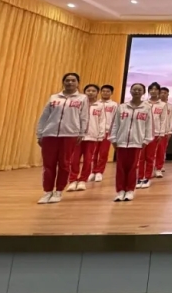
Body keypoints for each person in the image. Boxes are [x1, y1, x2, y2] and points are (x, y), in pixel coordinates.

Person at [35, 73, 89, 204]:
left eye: (73, 80)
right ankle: (47, 191)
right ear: (63, 82)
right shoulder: (54, 97)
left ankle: (59, 191)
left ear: (78, 83)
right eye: (67, 80)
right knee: (48, 165)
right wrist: (40, 133)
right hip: (50, 134)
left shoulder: (82, 98)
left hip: (69, 135)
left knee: (64, 164)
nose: (70, 83)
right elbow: (44, 116)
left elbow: (84, 117)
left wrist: (81, 133)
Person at [109, 82, 152, 202]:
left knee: (133, 167)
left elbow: (149, 126)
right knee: (120, 168)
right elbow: (115, 124)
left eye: (139, 90)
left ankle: (130, 190)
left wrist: (146, 140)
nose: (136, 91)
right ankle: (120, 191)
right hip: (121, 142)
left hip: (136, 142)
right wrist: (113, 139)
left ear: (143, 92)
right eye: (134, 89)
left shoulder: (147, 108)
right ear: (130, 91)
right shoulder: (122, 107)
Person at [67, 84, 106, 192]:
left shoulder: (100, 106)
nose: (91, 92)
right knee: (74, 160)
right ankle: (73, 180)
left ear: (97, 93)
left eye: (93, 91)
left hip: (92, 137)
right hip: (77, 136)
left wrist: (100, 135)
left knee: (88, 160)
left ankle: (83, 180)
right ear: (84, 92)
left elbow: (102, 121)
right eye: (88, 90)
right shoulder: (79, 103)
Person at [138, 82, 166, 189]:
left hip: (155, 134)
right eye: (151, 89)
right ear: (148, 91)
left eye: (155, 89)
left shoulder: (162, 105)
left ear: (159, 91)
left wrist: (161, 133)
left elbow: (163, 120)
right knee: (141, 157)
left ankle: (147, 178)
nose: (153, 91)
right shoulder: (143, 104)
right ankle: (140, 177)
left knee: (150, 157)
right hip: (142, 133)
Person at [91, 84, 118, 182]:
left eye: (108, 91)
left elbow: (116, 119)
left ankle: (99, 172)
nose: (105, 93)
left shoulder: (114, 105)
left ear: (111, 93)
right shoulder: (95, 104)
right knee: (93, 152)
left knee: (103, 153)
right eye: (103, 91)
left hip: (107, 132)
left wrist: (113, 132)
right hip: (94, 131)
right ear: (100, 92)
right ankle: (93, 171)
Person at [155, 87, 172, 178]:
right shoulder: (155, 105)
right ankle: (150, 167)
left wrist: (170, 131)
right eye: (161, 93)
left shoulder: (170, 107)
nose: (163, 94)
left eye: (165, 93)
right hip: (154, 131)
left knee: (161, 150)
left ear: (168, 94)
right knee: (151, 151)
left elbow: (171, 119)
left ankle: (159, 168)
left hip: (165, 132)